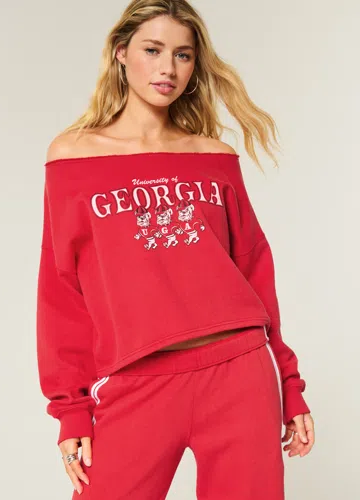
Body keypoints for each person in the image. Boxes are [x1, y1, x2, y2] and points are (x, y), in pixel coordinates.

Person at [36, 1, 315, 498]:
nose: (168, 68)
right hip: (137, 378)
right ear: (121, 52)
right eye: (153, 50)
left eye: (183, 55)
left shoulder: (214, 156)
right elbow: (61, 288)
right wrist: (71, 408)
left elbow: (254, 270)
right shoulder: (74, 155)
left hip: (240, 372)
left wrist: (290, 385)